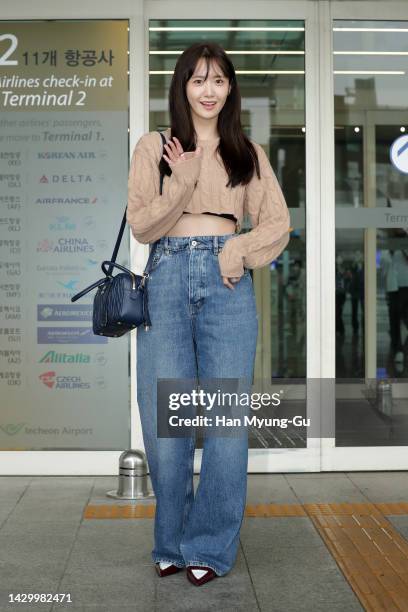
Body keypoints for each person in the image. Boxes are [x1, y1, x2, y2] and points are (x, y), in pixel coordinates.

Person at [127, 41, 291, 587]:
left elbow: (277, 223)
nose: (208, 90)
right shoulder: (156, 147)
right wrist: (181, 180)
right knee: (166, 422)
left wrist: (238, 250)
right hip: (166, 277)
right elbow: (143, 226)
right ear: (182, 86)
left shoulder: (248, 152)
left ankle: (209, 545)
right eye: (197, 80)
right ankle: (170, 540)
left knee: (224, 424)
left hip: (227, 283)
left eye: (218, 80)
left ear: (230, 88)